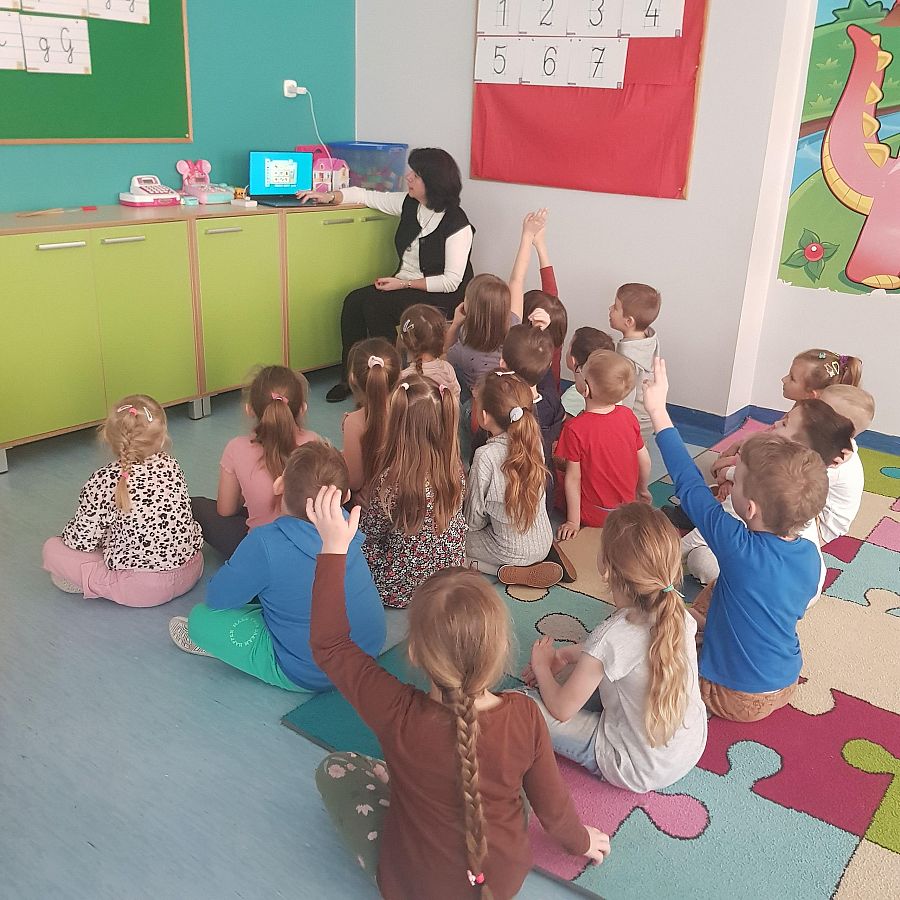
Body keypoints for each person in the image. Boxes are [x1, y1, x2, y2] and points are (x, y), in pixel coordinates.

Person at [307, 485, 610, 899]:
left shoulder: (397, 712)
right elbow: (554, 811)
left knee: (337, 767)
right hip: (501, 883)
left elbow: (330, 645)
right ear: (500, 650)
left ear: (415, 652)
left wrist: (333, 548)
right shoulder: (523, 715)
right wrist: (581, 842)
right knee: (516, 788)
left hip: (412, 888)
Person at [644, 358, 828, 722]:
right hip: (785, 680)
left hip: (734, 693)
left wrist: (658, 412)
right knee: (723, 583)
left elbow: (689, 484)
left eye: (736, 480)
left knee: (644, 666)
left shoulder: (740, 548)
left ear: (751, 507)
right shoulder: (809, 552)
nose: (730, 481)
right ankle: (701, 626)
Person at [169, 443, 385, 692]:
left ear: (279, 485)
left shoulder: (265, 542)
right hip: (368, 651)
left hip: (308, 672)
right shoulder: (348, 527)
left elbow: (217, 598)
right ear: (345, 497)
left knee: (200, 619)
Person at [523, 503, 707, 791]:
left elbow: (561, 709)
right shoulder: (679, 615)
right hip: (688, 749)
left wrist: (542, 666)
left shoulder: (610, 636)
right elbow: (615, 652)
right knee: (601, 675)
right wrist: (565, 655)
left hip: (633, 766)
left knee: (520, 704)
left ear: (606, 570)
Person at [298, 148, 475, 403]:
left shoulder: (457, 223)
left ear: (433, 182)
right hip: (403, 284)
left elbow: (451, 281)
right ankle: (351, 376)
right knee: (353, 301)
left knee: (376, 306)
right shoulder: (410, 203)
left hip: (441, 294)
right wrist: (330, 196)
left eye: (416, 175)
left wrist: (403, 283)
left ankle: (389, 381)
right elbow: (366, 195)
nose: (408, 177)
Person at [42, 396, 203, 607]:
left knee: (52, 548)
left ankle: (89, 580)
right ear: (163, 436)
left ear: (108, 438)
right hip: (191, 570)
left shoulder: (105, 478)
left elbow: (81, 541)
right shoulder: (172, 465)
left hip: (142, 589)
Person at [682, 399, 856, 587]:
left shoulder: (757, 494)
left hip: (770, 583)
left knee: (699, 558)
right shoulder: (796, 480)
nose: (776, 423)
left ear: (795, 447)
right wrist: (729, 473)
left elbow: (703, 533)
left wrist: (660, 561)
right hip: (799, 581)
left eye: (784, 423)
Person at [361, 375, 467, 608]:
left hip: (401, 586)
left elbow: (371, 533)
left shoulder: (391, 481)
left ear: (397, 425)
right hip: (448, 575)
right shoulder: (455, 468)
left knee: (350, 540)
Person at [191, 366, 319, 558]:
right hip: (310, 548)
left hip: (262, 552)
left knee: (197, 505)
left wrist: (248, 490)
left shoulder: (236, 448)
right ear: (302, 408)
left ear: (249, 409)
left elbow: (225, 510)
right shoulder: (315, 443)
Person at [465, 372, 561, 588]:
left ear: (484, 416)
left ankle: (506, 571)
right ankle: (536, 560)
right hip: (544, 541)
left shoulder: (485, 456)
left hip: (508, 549)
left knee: (451, 541)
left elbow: (474, 520)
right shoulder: (534, 441)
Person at [555, 350, 652, 539]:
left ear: (586, 389)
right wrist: (642, 490)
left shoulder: (575, 428)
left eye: (581, 372)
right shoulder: (628, 416)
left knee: (551, 474)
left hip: (593, 514)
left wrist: (573, 521)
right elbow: (645, 461)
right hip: (626, 510)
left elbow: (573, 478)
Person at [341, 339, 401, 496]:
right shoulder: (411, 410)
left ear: (352, 378)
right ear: (399, 375)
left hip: (372, 503)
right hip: (409, 498)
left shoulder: (353, 422)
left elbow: (355, 482)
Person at [609, 283, 662, 438]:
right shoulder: (649, 340)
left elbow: (625, 398)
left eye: (615, 307)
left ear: (629, 321)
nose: (610, 308)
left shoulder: (627, 359)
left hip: (633, 422)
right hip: (648, 417)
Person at [397, 303, 461, 401]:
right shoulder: (447, 369)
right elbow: (455, 400)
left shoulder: (402, 379)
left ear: (405, 340)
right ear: (442, 336)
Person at [560, 327, 616, 418]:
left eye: (569, 346)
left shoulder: (572, 396)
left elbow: (564, 423)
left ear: (573, 360)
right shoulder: (613, 389)